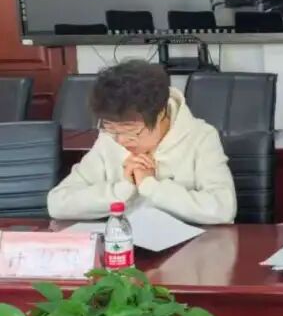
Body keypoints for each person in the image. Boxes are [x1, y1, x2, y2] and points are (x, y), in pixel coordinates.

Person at [48, 60, 237, 224]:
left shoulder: (200, 137)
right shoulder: (109, 139)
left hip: (190, 249)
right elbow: (58, 203)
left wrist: (150, 186)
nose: (121, 140)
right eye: (111, 129)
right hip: (124, 247)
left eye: (131, 132)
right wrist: (123, 190)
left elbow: (222, 208)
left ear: (161, 114)